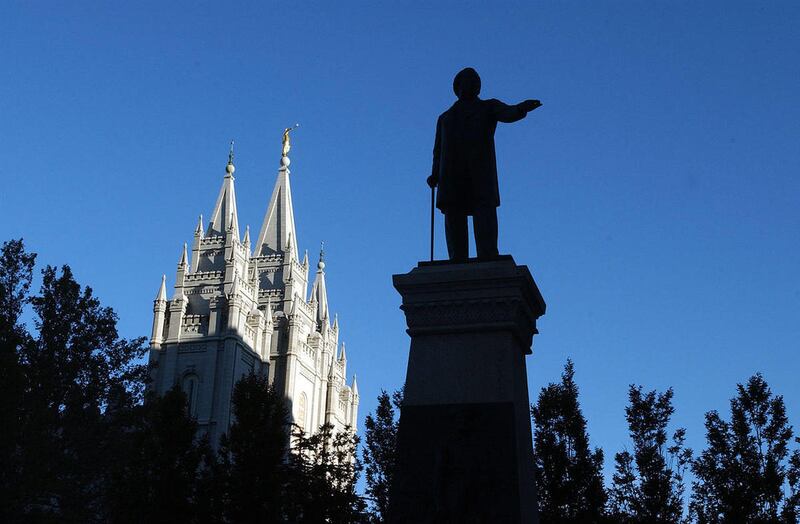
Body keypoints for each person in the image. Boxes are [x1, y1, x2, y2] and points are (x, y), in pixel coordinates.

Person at [427, 67, 541, 261]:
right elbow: (438, 150)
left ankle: (487, 254)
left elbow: (508, 112)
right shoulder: (445, 118)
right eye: (469, 81)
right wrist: (435, 173)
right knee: (454, 214)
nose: (474, 85)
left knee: (484, 211)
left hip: (480, 170)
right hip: (452, 173)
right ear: (458, 86)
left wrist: (521, 108)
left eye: (476, 82)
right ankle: (457, 257)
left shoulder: (488, 107)